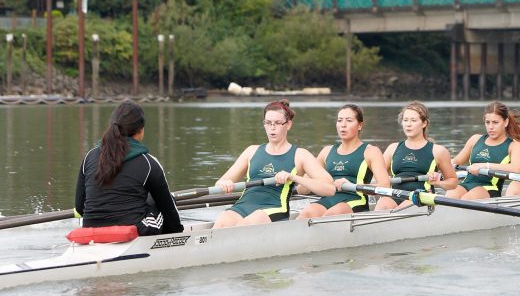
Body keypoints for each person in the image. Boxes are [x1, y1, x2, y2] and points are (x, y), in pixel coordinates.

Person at [212, 100, 336, 228]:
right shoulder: (251, 151)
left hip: (273, 209)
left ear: (288, 125)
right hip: (243, 206)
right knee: (223, 220)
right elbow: (220, 184)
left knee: (249, 222)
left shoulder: (300, 155)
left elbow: (330, 189)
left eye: (277, 123)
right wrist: (224, 183)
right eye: (268, 123)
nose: (272, 127)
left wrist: (293, 177)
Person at [74, 101, 183, 236]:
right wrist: (177, 236)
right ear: (140, 130)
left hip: (91, 230)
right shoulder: (148, 163)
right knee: (168, 199)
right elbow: (170, 215)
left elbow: (79, 207)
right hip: (132, 230)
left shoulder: (89, 156)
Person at [297, 104, 391, 218]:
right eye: (340, 120)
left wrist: (353, 185)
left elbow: (385, 186)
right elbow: (302, 190)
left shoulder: (371, 152)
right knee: (306, 213)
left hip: (355, 200)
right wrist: (297, 179)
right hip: (328, 199)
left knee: (332, 214)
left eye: (349, 120)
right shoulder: (326, 152)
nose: (343, 125)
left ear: (360, 125)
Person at [374, 101, 459, 210]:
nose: (408, 124)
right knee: (383, 204)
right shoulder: (393, 148)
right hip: (395, 195)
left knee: (403, 209)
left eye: (413, 120)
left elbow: (453, 182)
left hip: (421, 196)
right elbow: (375, 177)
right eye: (405, 120)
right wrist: (384, 179)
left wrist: (438, 182)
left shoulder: (438, 151)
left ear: (424, 123)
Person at [447, 102, 520, 200]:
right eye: (487, 122)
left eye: (495, 122)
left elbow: (517, 169)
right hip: (466, 184)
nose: (490, 127)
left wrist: (485, 165)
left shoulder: (513, 146)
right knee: (449, 196)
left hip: (489, 188)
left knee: (466, 199)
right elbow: (455, 162)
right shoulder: (475, 139)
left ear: (506, 122)